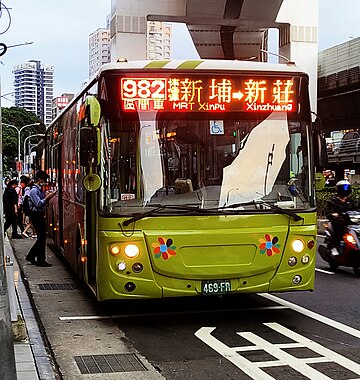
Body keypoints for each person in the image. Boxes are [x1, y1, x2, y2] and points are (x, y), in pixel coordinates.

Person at [25, 170, 56, 267]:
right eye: (44, 179)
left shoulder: (38, 190)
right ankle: (40, 260)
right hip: (36, 215)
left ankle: (32, 256)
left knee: (41, 238)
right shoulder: (34, 191)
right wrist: (48, 197)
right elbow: (38, 204)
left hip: (38, 215)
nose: (45, 182)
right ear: (39, 179)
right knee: (41, 238)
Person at [325, 180, 357, 256]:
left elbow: (357, 208)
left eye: (347, 187)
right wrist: (334, 214)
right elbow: (328, 212)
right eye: (343, 188)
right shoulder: (332, 201)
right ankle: (334, 247)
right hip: (338, 222)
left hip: (350, 221)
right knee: (339, 227)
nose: (345, 190)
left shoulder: (351, 201)